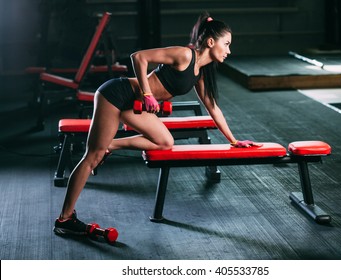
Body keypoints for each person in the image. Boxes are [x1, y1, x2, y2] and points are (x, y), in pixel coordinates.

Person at [53, 12, 258, 236]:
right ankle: (65, 218)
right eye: (226, 44)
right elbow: (138, 57)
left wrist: (234, 140)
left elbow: (213, 109)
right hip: (116, 94)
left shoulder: (199, 74)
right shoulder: (184, 55)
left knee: (164, 142)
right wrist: (147, 93)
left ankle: (111, 146)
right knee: (91, 157)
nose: (229, 50)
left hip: (133, 106)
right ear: (211, 42)